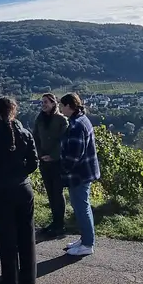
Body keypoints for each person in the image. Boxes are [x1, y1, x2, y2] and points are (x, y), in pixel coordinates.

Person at [0, 96, 39, 284]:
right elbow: (34, 162)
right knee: (26, 233)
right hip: (23, 188)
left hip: (1, 189)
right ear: (15, 111)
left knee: (6, 239)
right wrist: (20, 172)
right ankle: (28, 277)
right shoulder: (25, 134)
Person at [59, 93, 100, 257]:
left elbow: (75, 154)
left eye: (62, 105)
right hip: (84, 171)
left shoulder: (76, 125)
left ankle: (88, 244)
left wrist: (64, 169)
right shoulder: (82, 119)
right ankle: (84, 239)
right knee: (80, 206)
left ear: (69, 106)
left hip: (79, 174)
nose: (60, 108)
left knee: (82, 208)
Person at [32, 93, 69, 237]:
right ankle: (54, 222)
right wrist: (40, 154)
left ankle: (60, 224)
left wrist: (53, 156)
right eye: (42, 102)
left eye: (46, 102)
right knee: (50, 193)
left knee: (57, 193)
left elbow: (63, 141)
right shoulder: (40, 119)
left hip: (57, 162)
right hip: (44, 161)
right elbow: (35, 137)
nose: (43, 104)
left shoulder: (61, 120)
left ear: (54, 103)